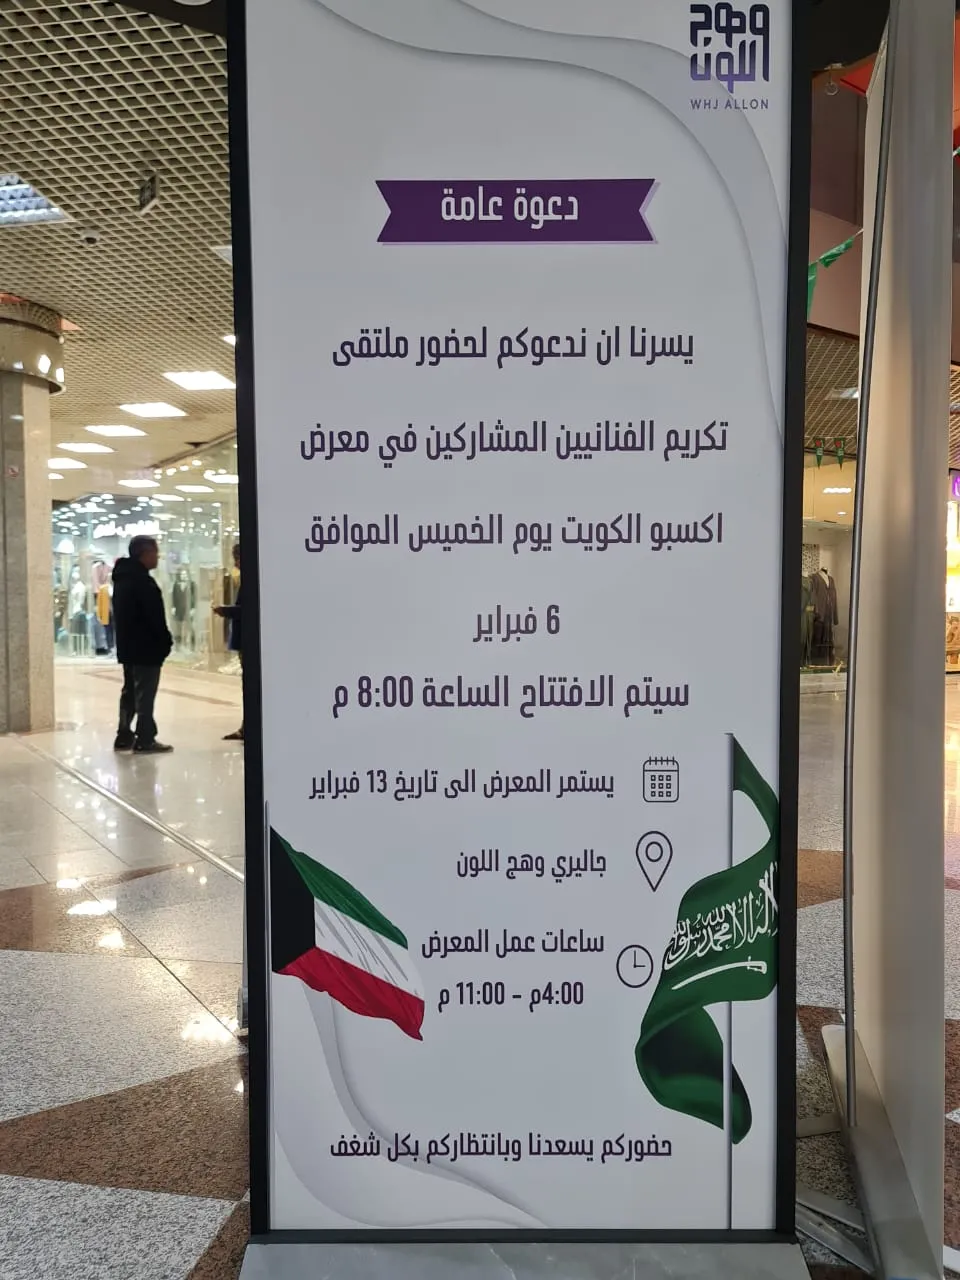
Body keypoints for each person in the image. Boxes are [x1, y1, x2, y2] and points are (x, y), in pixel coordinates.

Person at [112, 535, 173, 754]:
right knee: (145, 694)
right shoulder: (142, 582)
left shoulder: (123, 580)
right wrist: (165, 641)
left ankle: (124, 734)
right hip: (146, 648)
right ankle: (145, 738)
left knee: (130, 691)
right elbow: (153, 618)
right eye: (155, 552)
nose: (157, 557)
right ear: (144, 554)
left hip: (128, 647)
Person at [214, 543, 243, 741]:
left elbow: (249, 609)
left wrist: (227, 611)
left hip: (248, 640)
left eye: (237, 558)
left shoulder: (253, 580)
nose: (235, 563)